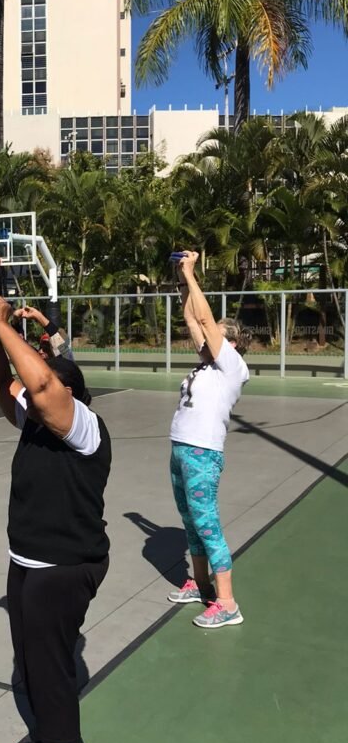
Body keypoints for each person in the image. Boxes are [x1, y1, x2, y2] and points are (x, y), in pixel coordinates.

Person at [0, 294, 111, 743]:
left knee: (51, 669)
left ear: (71, 395)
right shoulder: (37, 421)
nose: (34, 396)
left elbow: (38, 384)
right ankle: (58, 740)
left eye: (49, 387)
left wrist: (4, 326)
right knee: (35, 665)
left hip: (64, 566)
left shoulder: (84, 428)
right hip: (30, 562)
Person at [168, 250, 250, 629]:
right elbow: (191, 317)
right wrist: (184, 280)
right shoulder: (207, 364)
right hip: (182, 448)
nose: (206, 334)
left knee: (207, 524)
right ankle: (201, 585)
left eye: (216, 331)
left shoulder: (232, 365)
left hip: (202, 453)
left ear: (229, 342)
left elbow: (202, 317)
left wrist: (192, 272)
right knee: (190, 522)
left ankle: (228, 603)